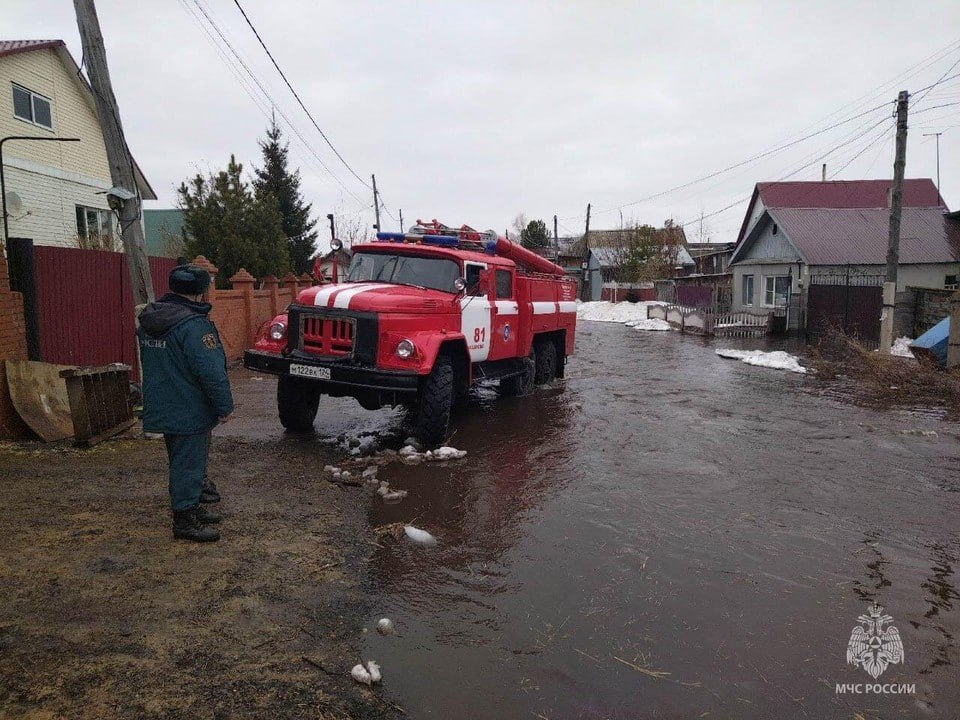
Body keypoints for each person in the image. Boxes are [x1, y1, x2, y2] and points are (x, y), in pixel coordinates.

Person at [137, 265, 234, 542]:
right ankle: (184, 520)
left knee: (182, 461)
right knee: (188, 465)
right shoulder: (193, 326)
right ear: (201, 292)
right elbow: (211, 371)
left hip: (164, 403)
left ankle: (191, 507)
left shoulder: (152, 320)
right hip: (189, 407)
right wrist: (224, 406)